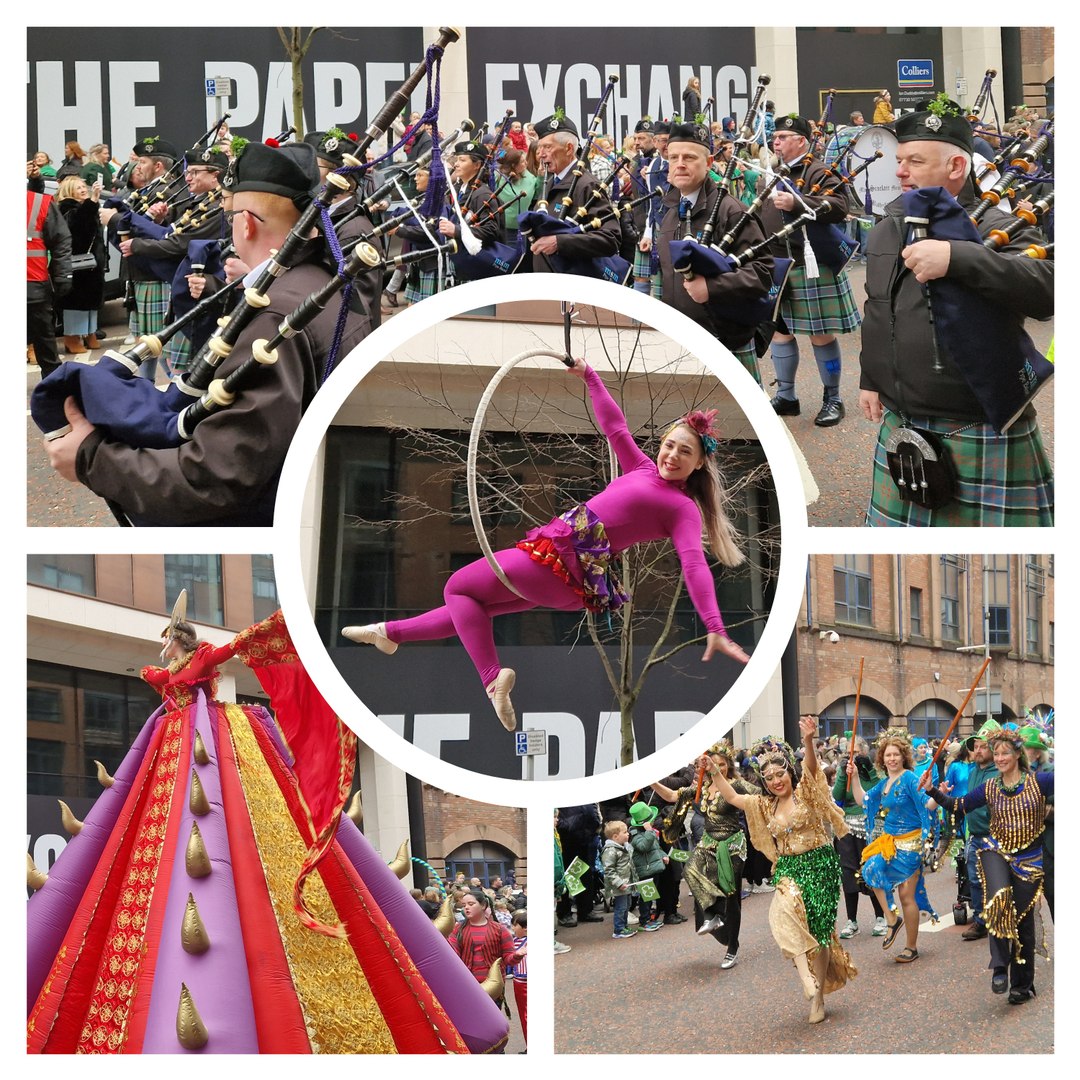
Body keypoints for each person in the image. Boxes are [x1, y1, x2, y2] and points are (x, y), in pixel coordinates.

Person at [27, 609, 507, 1053]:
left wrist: (274, 625)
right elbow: (155, 675)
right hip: (172, 747)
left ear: (180, 640)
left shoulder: (204, 660)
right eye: (165, 644)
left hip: (212, 743)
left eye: (168, 641)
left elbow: (234, 647)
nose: (165, 649)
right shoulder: (166, 681)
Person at [342, 358, 750, 730]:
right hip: (566, 573)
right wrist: (590, 378)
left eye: (685, 452)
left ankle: (490, 679)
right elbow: (616, 428)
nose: (672, 455)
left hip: (560, 560)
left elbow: (693, 564)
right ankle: (390, 632)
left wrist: (715, 626)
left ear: (699, 463)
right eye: (669, 445)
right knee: (472, 607)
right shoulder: (643, 468)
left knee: (458, 587)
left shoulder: (682, 508)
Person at [43, 140, 372, 526]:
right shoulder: (327, 285)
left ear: (246, 222)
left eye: (230, 213)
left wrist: (91, 458)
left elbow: (217, 476)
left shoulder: (275, 316)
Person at [858, 100, 1053, 526]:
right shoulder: (889, 224)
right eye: (898, 160)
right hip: (901, 425)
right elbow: (878, 308)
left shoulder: (996, 224)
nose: (900, 172)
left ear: (956, 166)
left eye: (914, 161)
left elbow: (1048, 290)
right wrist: (871, 378)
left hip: (978, 425)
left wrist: (960, 258)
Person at [709, 719, 856, 1024]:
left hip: (820, 865)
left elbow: (814, 770)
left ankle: (818, 999)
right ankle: (806, 979)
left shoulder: (807, 793)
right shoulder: (764, 805)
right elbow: (734, 798)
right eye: (769, 777)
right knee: (781, 913)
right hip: (789, 866)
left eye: (780, 774)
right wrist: (713, 772)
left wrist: (810, 741)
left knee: (820, 935)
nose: (776, 781)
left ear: (789, 772)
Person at [927, 728, 1053, 1004]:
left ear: (1018, 754)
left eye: (1004, 752)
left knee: (1022, 923)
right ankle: (999, 966)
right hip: (995, 851)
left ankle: (1022, 984)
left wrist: (1051, 812)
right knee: (997, 899)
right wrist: (933, 790)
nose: (999, 758)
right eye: (995, 753)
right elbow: (958, 805)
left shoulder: (1041, 782)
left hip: (1029, 860)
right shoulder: (990, 787)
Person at [654, 122, 774, 382]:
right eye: (673, 157)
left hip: (726, 339)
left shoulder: (731, 211)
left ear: (708, 162)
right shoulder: (671, 212)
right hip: (682, 339)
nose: (680, 164)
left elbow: (763, 272)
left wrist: (712, 287)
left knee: (737, 422)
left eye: (689, 157)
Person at [761, 115, 860, 426]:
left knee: (819, 334)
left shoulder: (820, 170)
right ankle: (787, 396)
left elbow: (840, 207)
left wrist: (798, 202)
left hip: (810, 264)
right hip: (778, 263)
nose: (775, 142)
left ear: (801, 141)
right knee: (780, 332)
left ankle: (834, 398)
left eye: (782, 136)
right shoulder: (775, 171)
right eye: (774, 137)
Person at [650, 740, 758, 969]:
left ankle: (732, 948)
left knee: (731, 895)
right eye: (713, 764)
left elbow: (760, 796)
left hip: (732, 844)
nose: (718, 767)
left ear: (728, 765)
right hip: (708, 842)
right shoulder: (700, 786)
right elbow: (671, 796)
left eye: (722, 764)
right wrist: (651, 781)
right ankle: (713, 915)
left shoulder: (736, 785)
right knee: (691, 869)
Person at [845, 730, 937, 966]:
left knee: (906, 895)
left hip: (911, 845)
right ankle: (891, 918)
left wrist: (939, 794)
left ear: (904, 756)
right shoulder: (885, 783)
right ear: (882, 759)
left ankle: (911, 947)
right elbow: (863, 801)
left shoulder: (909, 778)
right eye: (888, 755)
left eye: (896, 754)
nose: (892, 759)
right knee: (871, 870)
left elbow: (927, 804)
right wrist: (854, 777)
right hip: (891, 843)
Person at [526, 112, 622, 275]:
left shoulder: (587, 185)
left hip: (574, 288)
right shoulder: (548, 182)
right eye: (540, 147)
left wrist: (560, 242)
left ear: (569, 148)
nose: (541, 154)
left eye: (548, 147)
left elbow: (610, 238)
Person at [831, 736, 888, 938]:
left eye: (856, 752)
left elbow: (878, 792)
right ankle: (851, 920)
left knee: (870, 870)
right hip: (846, 828)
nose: (852, 756)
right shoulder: (843, 770)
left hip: (869, 827)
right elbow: (838, 795)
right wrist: (842, 774)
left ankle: (880, 917)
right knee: (848, 872)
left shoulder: (873, 770)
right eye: (849, 753)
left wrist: (868, 769)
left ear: (864, 751)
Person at [26, 168, 72, 377]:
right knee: (46, 346)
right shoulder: (39, 202)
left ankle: (53, 391)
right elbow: (61, 241)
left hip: (33, 286)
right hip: (34, 285)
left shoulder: (39, 202)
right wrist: (62, 276)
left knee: (46, 347)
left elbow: (61, 241)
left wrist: (63, 275)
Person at [55, 175, 107, 355]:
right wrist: (93, 201)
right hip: (77, 264)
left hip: (91, 263)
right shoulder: (67, 208)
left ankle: (89, 333)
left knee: (91, 301)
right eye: (78, 188)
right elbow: (78, 225)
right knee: (76, 302)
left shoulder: (85, 207)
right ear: (69, 191)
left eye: (84, 186)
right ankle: (72, 337)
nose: (83, 189)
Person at [627, 802, 668, 931]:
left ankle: (649, 918)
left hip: (653, 867)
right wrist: (649, 832)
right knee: (646, 897)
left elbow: (655, 847)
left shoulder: (647, 833)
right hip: (645, 870)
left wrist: (663, 854)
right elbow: (644, 846)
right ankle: (644, 920)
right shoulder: (635, 835)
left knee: (651, 896)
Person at [601, 820, 636, 939]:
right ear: (615, 837)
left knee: (627, 905)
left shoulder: (624, 847)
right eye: (625, 832)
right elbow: (608, 870)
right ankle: (618, 929)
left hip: (627, 883)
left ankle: (624, 926)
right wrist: (619, 883)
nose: (628, 834)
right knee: (621, 907)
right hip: (619, 885)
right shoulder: (610, 850)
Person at [508, 909, 528, 1046]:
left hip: (524, 981)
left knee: (526, 1014)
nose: (513, 928)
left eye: (515, 925)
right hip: (519, 981)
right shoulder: (513, 940)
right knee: (523, 1014)